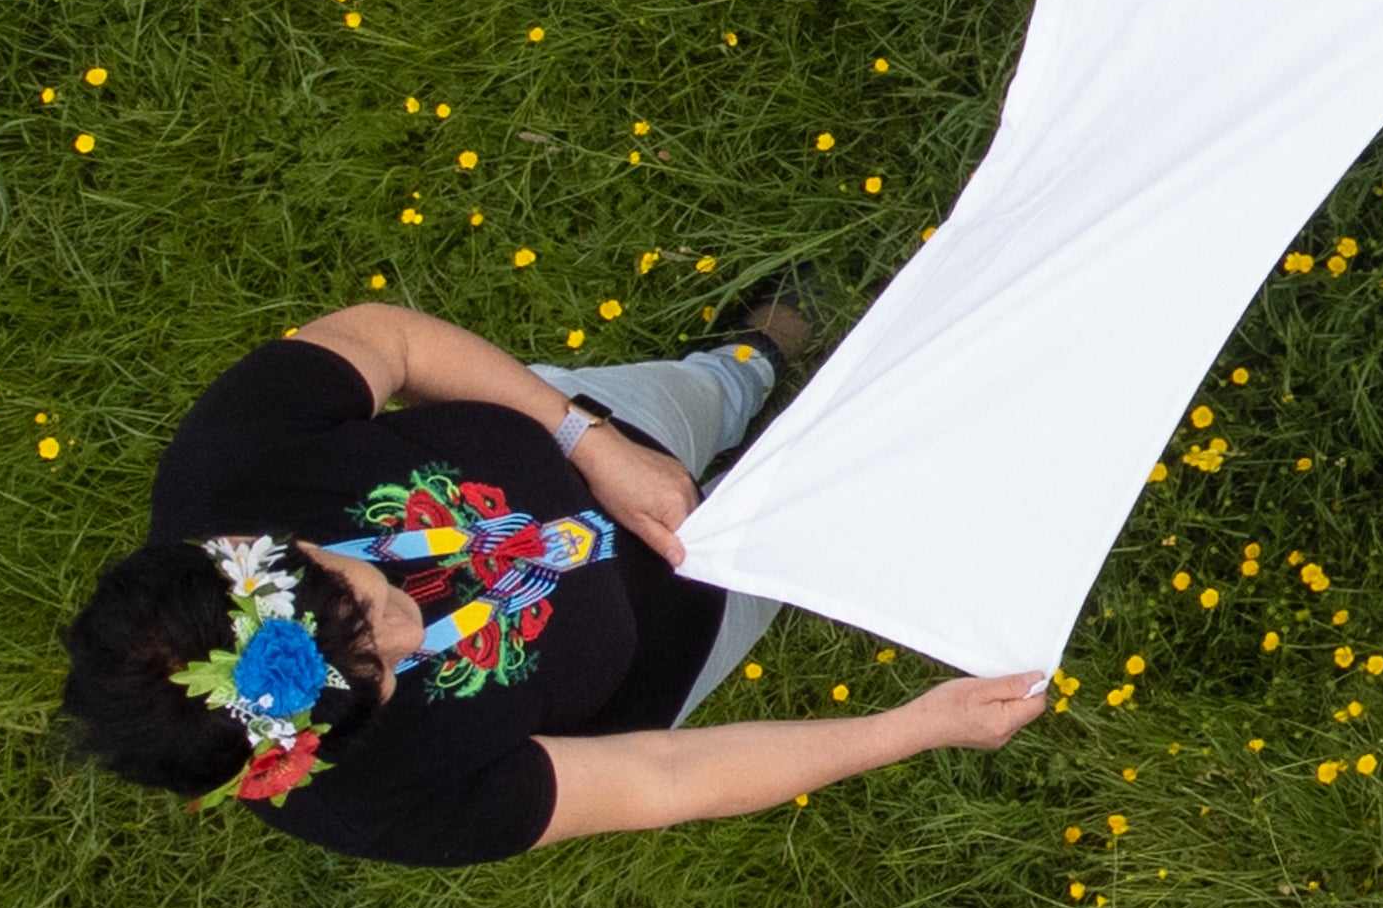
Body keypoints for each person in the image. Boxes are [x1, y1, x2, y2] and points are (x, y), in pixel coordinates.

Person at [55, 297, 1044, 863]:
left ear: (269, 551)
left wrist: (587, 438)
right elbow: (661, 780)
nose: (407, 635)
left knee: (701, 391)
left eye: (364, 600)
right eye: (382, 677)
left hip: (584, 434)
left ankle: (746, 362)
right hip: (674, 628)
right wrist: (916, 727)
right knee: (823, 517)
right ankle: (854, 453)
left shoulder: (230, 462)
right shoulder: (373, 801)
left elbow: (388, 339)